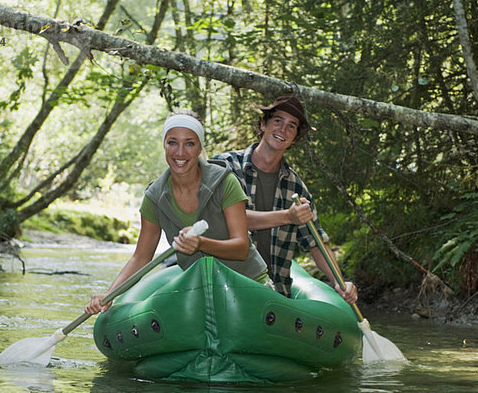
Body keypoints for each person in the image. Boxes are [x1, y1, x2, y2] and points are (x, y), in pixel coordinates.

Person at [85, 110, 270, 315]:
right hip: (202, 293)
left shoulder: (226, 182)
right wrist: (109, 294)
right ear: (164, 145)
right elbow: (140, 257)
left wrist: (201, 243)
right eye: (172, 142)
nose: (180, 152)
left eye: (189, 143)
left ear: (200, 147)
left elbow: (241, 247)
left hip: (248, 285)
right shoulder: (154, 197)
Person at [212, 96, 358, 303]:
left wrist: (340, 282)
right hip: (224, 284)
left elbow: (316, 243)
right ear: (263, 124)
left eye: (292, 126)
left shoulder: (297, 188)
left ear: (295, 138)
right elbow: (221, 218)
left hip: (274, 296)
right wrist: (288, 216)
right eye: (278, 121)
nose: (283, 130)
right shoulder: (224, 167)